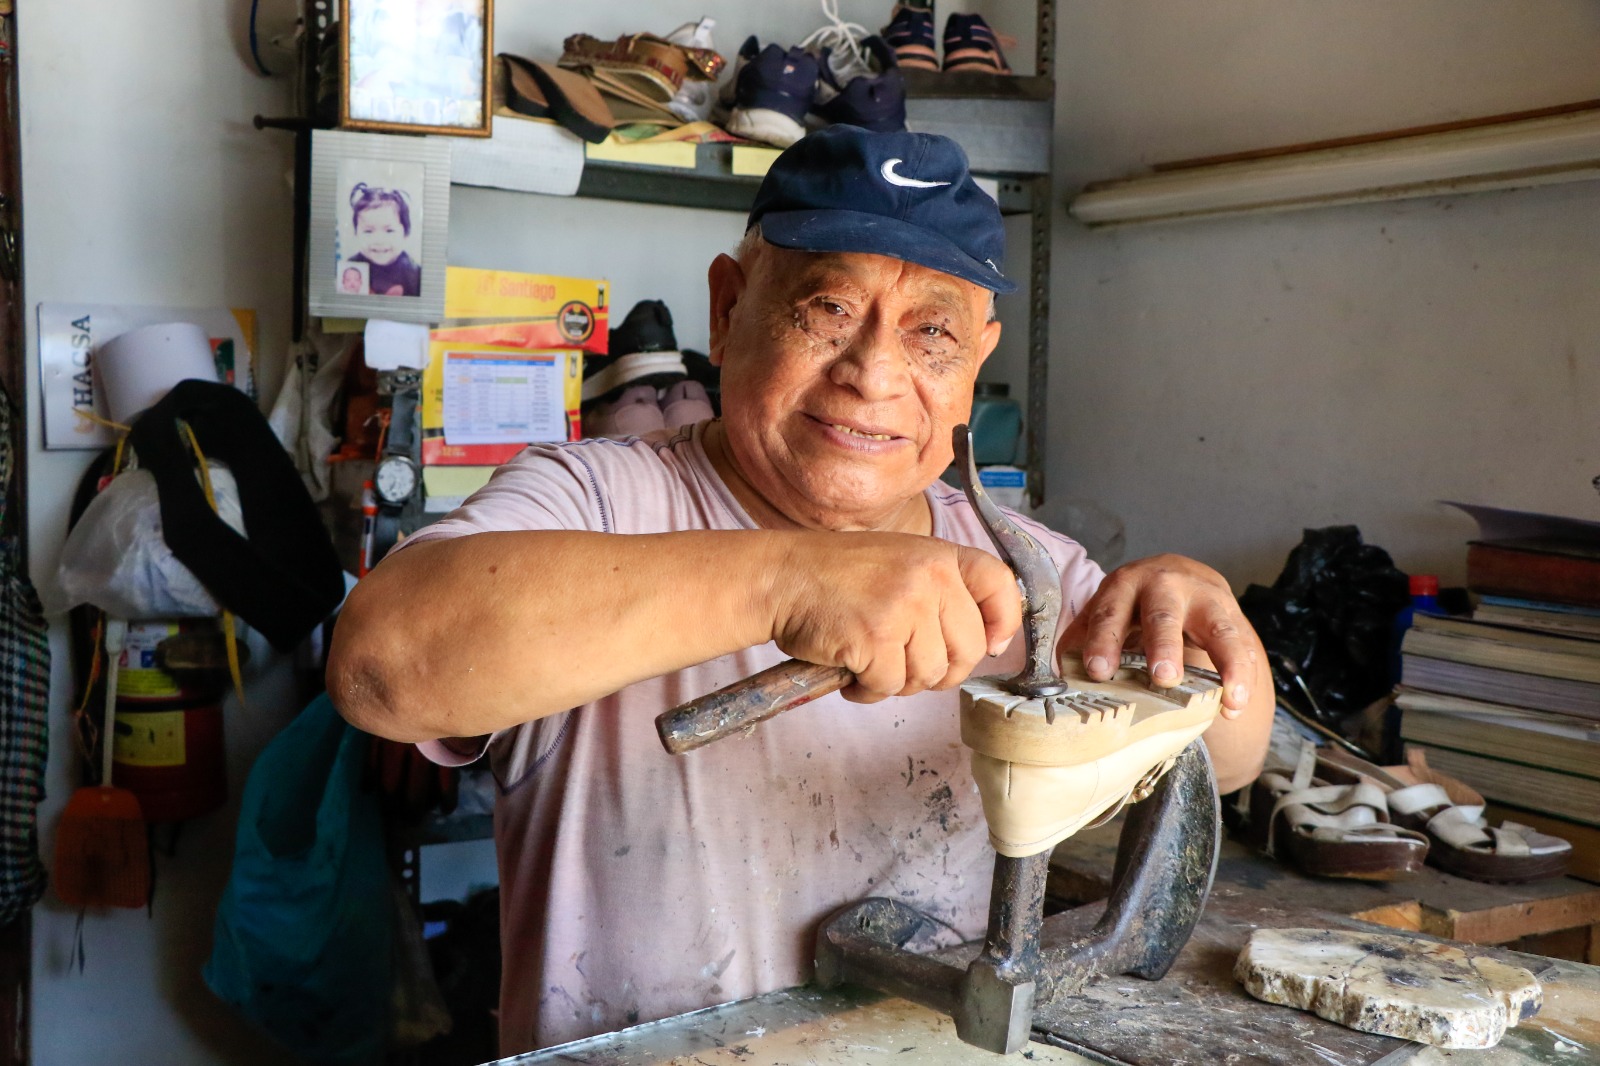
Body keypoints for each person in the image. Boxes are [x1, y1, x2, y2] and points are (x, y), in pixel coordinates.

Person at [328, 125, 1274, 1055]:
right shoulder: (597, 499)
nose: (872, 373)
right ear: (728, 306)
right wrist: (790, 576)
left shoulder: (1026, 568)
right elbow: (381, 668)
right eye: (826, 309)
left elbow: (1228, 758)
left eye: (931, 332)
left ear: (977, 360)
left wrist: (1197, 611)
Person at [346, 182, 421, 297]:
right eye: (368, 231)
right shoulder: (350, 268)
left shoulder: (414, 273)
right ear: (356, 233)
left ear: (405, 232)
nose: (379, 240)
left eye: (389, 231)